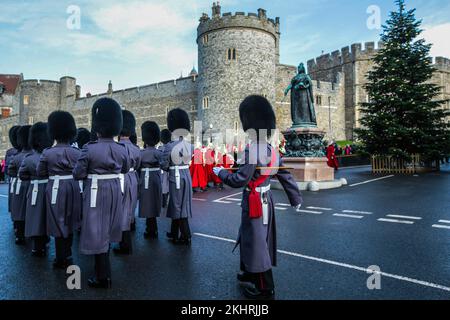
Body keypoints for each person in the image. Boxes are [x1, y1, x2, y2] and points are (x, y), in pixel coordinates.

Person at [213, 95, 303, 300]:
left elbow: (240, 179)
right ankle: (248, 273)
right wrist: (295, 199)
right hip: (266, 199)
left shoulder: (253, 149)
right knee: (249, 237)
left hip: (254, 201)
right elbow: (285, 175)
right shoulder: (272, 150)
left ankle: (265, 287)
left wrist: (221, 173)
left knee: (257, 243)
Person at [73, 97, 130, 289]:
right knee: (107, 229)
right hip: (115, 189)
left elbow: (78, 173)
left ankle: (102, 276)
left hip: (96, 191)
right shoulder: (121, 149)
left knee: (97, 230)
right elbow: (125, 169)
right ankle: (103, 272)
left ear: (97, 127)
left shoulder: (90, 148)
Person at [37, 111, 81, 268]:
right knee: (70, 220)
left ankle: (60, 257)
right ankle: (68, 254)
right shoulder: (77, 152)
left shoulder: (47, 152)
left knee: (57, 220)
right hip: (73, 187)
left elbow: (40, 172)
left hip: (55, 188)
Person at [160, 108, 193, 245]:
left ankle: (186, 235)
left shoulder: (169, 146)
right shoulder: (190, 145)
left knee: (178, 205)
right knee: (179, 203)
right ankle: (174, 232)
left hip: (176, 176)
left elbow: (164, 165)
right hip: (186, 175)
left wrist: (169, 167)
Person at [20, 122, 53, 257]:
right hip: (50, 188)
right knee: (48, 215)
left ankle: (37, 246)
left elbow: (22, 175)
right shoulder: (51, 155)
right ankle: (45, 240)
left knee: (35, 216)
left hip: (34, 188)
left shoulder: (28, 158)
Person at [114, 110, 141, 255]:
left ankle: (125, 244)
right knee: (129, 209)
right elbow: (137, 166)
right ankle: (125, 241)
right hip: (132, 178)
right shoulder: (136, 148)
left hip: (120, 178)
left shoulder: (117, 147)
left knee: (121, 211)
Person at [9, 125, 33, 245]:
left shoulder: (16, 157)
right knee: (32, 210)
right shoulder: (35, 156)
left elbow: (11, 172)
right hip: (33, 186)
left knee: (19, 210)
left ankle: (19, 234)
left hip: (19, 186)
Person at [138, 121, 162, 239]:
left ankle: (150, 229)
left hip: (145, 179)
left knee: (147, 202)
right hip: (156, 178)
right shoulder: (159, 153)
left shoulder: (141, 153)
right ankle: (153, 228)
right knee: (154, 201)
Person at [6, 126, 21, 228]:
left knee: (15, 202)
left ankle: (17, 226)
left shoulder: (10, 152)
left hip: (15, 180)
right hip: (18, 180)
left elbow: (8, 169)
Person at [159, 129, 171, 208]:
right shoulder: (171, 147)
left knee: (164, 186)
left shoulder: (161, 148)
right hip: (167, 169)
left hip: (164, 169)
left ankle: (164, 202)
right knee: (167, 186)